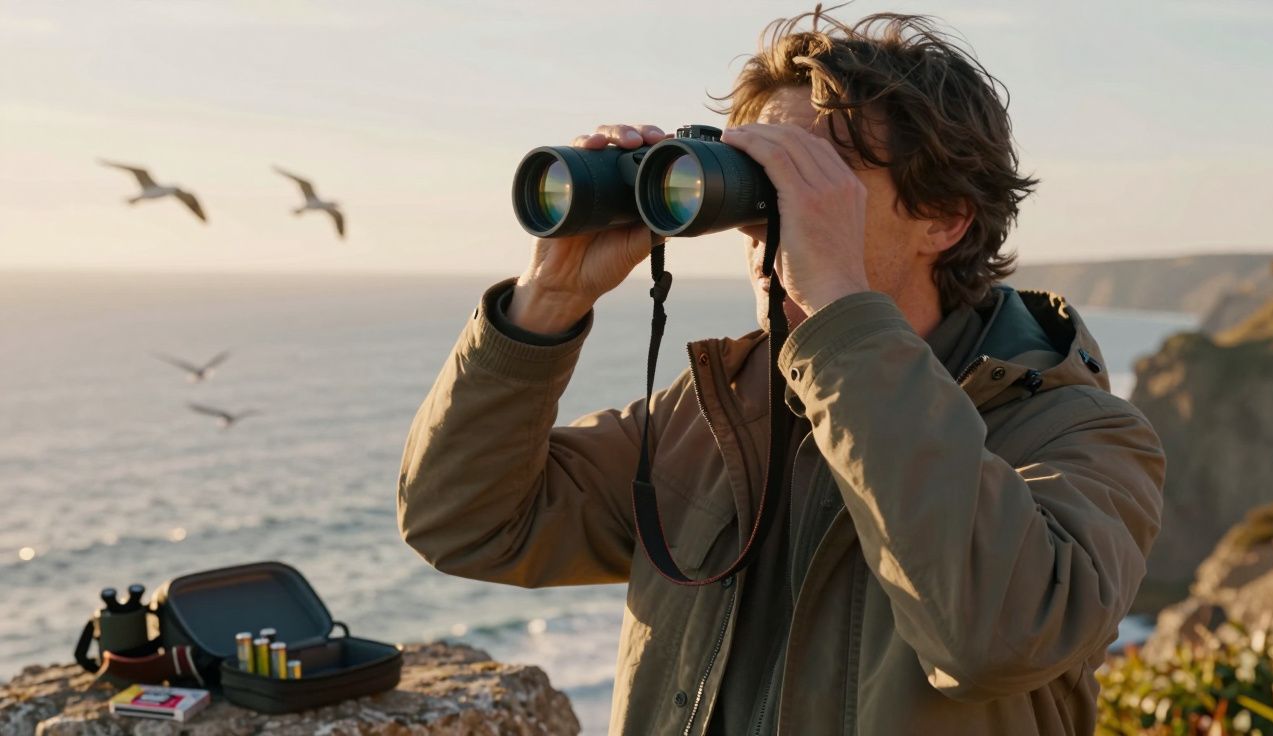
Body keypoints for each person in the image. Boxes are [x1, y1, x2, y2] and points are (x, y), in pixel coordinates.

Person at [398, 9, 1164, 735]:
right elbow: (466, 524)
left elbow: (994, 639)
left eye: (816, 180)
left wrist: (839, 307)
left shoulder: (1080, 434)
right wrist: (546, 303)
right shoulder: (713, 417)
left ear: (945, 217)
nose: (773, 215)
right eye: (758, 177)